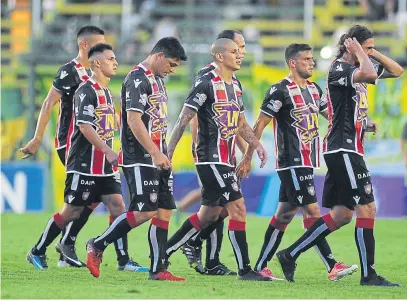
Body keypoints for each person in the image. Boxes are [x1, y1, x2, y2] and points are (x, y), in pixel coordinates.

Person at [276, 25, 403, 286]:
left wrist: (372, 51)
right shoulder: (338, 69)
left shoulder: (359, 67)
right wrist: (359, 51)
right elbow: (367, 73)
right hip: (343, 149)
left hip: (348, 149)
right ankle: (369, 275)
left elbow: (396, 71)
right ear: (351, 46)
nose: (370, 52)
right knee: (367, 208)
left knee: (342, 215)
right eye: (367, 47)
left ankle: (290, 254)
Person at [22, 27, 144, 272]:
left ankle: (111, 256)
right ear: (87, 47)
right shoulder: (72, 74)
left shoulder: (104, 85)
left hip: (100, 148)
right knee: (77, 205)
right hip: (74, 145)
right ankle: (51, 245)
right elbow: (49, 103)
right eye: (101, 46)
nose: (109, 53)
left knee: (110, 202)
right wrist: (36, 138)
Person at [237, 43, 358, 281]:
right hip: (291, 161)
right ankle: (331, 265)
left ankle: (261, 266)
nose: (311, 63)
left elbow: (331, 116)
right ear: (293, 63)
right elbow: (259, 124)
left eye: (312, 59)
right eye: (306, 59)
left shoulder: (314, 89)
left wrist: (360, 124)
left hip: (308, 160)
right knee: (311, 210)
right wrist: (248, 156)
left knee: (284, 214)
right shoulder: (279, 90)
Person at [157, 38, 271, 281]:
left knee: (209, 214)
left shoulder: (236, 86)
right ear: (220, 57)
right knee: (238, 207)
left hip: (226, 159)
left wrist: (256, 144)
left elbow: (240, 121)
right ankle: (245, 270)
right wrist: (169, 151)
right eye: (233, 52)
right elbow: (184, 119)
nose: (239, 55)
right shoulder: (206, 84)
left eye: (239, 52)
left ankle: (164, 253)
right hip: (211, 158)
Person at [84, 37, 188, 281]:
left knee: (164, 212)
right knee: (144, 212)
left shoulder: (159, 81)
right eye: (171, 64)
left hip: (158, 155)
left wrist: (164, 151)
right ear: (159, 55)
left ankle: (158, 269)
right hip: (139, 156)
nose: (172, 70)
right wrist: (154, 152)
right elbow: (133, 120)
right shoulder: (137, 78)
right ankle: (98, 244)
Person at [180, 29, 247, 276]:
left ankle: (209, 257)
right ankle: (201, 251)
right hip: (209, 151)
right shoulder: (208, 76)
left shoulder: (232, 80)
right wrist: (197, 144)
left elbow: (235, 121)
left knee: (218, 206)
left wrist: (243, 152)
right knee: (222, 205)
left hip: (224, 151)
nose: (242, 52)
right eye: (238, 47)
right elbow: (197, 114)